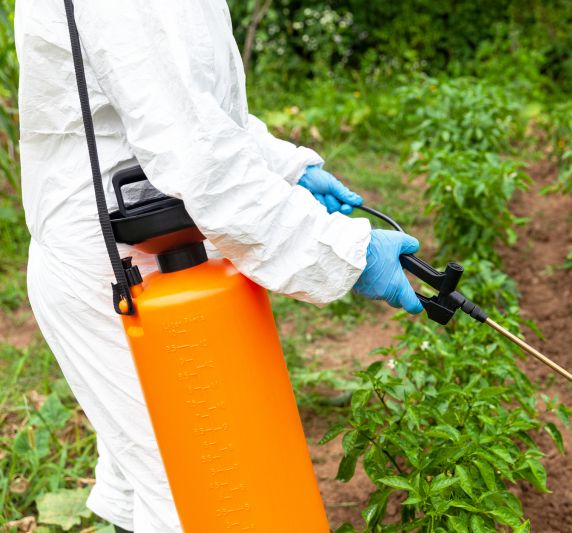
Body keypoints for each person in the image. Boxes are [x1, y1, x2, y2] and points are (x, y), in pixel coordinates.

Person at [15, 1, 423, 531]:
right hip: (114, 264)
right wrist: (349, 251)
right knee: (199, 496)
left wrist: (286, 167)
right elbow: (190, 149)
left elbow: (186, 98)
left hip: (162, 238)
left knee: (167, 473)